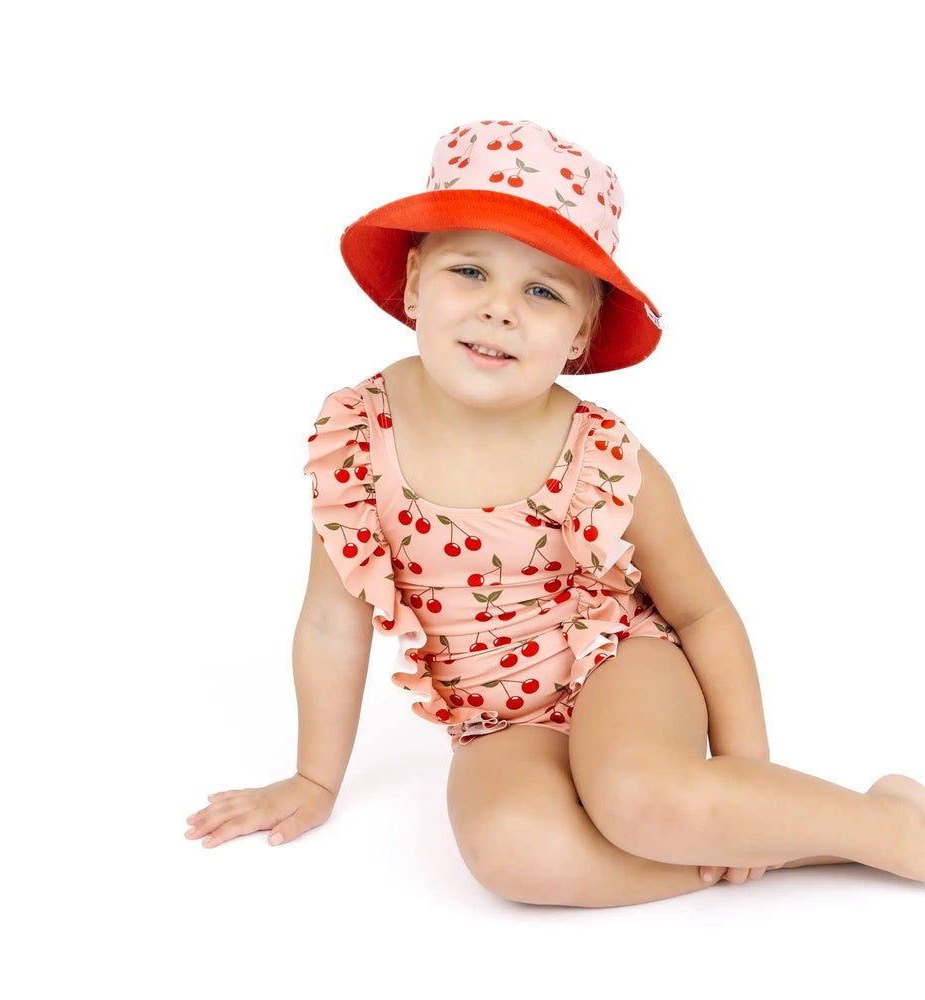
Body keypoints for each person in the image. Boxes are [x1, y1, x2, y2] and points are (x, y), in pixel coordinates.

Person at [185, 119, 925, 906]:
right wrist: (314, 779)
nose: (499, 309)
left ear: (579, 333)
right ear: (414, 283)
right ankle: (788, 844)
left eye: (542, 291)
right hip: (497, 716)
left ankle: (890, 827)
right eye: (471, 271)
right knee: (511, 853)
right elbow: (332, 623)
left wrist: (743, 781)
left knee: (640, 796)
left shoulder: (598, 456)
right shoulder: (359, 438)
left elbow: (703, 612)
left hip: (619, 660)